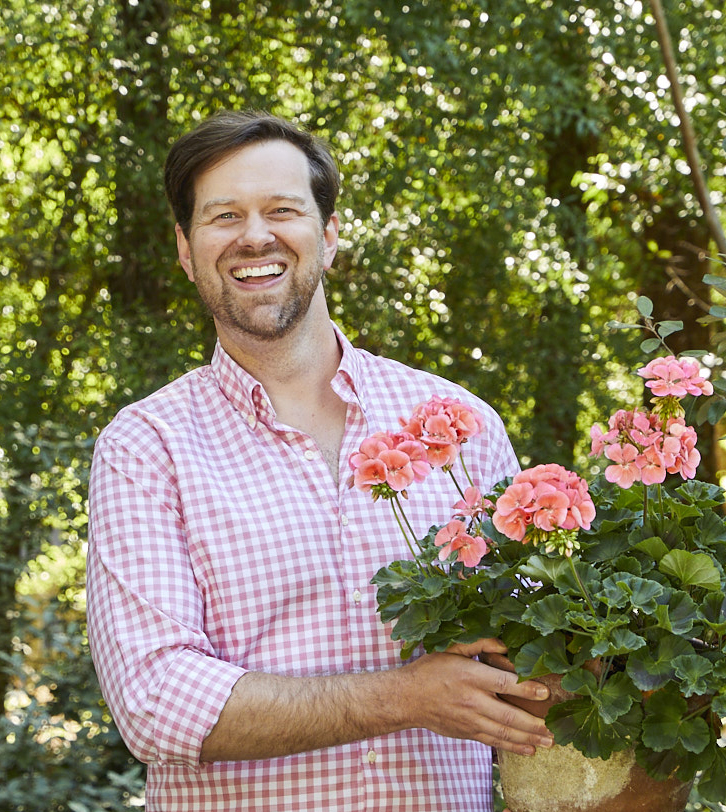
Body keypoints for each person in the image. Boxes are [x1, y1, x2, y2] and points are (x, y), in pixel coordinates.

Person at [86, 110, 552, 811]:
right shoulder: (146, 446)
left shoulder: (459, 426)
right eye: (223, 216)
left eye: (282, 210)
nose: (254, 236)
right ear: (185, 249)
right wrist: (404, 698)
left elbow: (534, 646)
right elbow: (156, 700)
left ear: (328, 236)